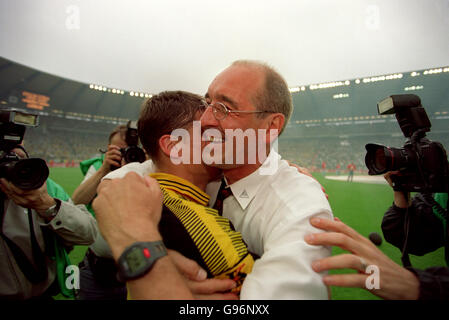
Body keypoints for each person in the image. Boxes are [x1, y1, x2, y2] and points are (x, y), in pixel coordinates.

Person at [102, 60, 333, 299]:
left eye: (224, 108)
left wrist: (163, 283)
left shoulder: (299, 208)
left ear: (270, 127)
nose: (205, 120)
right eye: (208, 103)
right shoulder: (204, 173)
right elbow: (148, 169)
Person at [103, 91, 254, 299]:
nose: (223, 142)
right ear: (174, 146)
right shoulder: (195, 223)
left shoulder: (151, 202)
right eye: (209, 134)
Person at [0, 145, 97, 300]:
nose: (12, 160)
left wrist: (46, 205)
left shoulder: (43, 185)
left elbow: (88, 232)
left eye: (18, 155)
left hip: (41, 294)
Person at [72, 125, 129, 300]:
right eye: (116, 150)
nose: (121, 154)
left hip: (134, 269)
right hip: (96, 268)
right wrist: (104, 169)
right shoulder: (99, 167)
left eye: (127, 150)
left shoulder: (147, 168)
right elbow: (76, 202)